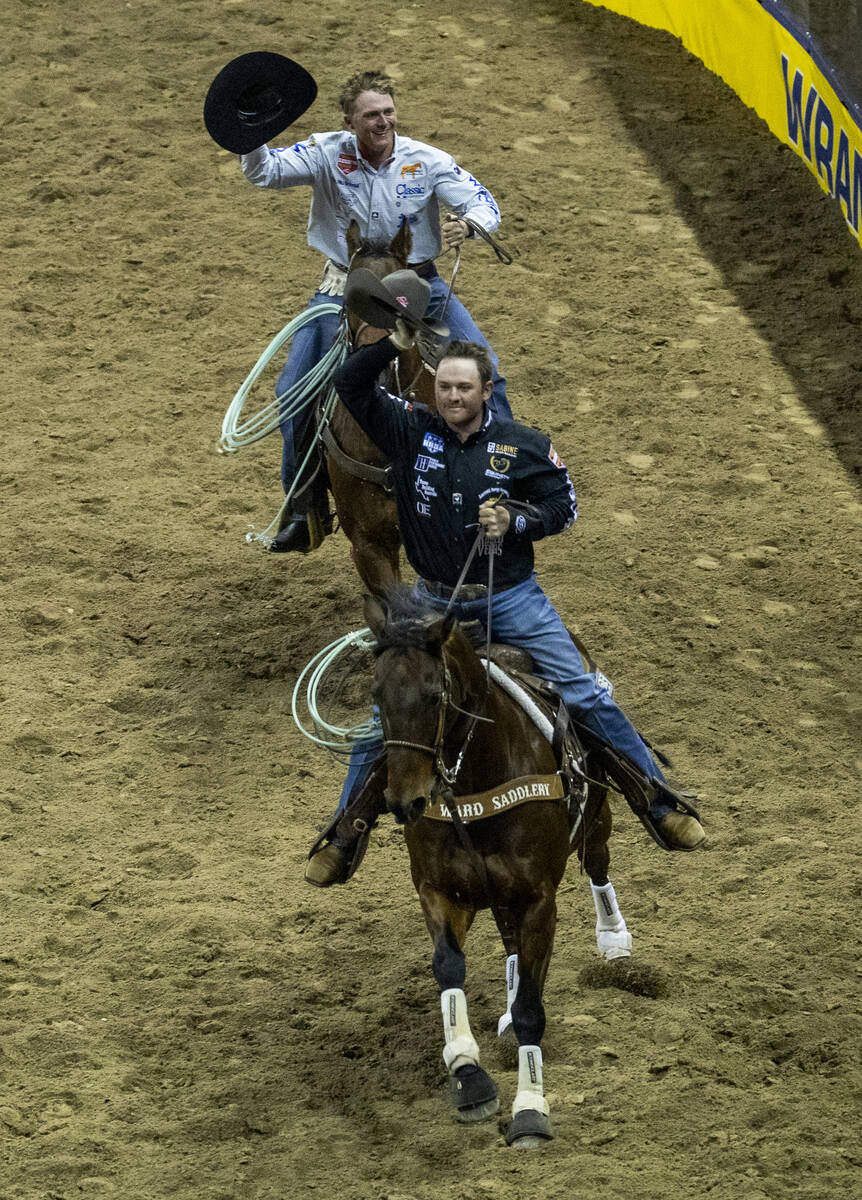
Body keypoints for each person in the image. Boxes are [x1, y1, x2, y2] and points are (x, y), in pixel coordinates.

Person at [305, 313, 705, 886]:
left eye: (464, 387)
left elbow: (564, 508)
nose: (452, 397)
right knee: (384, 712)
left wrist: (517, 519)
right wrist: (391, 345)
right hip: (431, 602)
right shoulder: (406, 428)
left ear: (486, 390)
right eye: (444, 386)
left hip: (512, 600)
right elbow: (348, 386)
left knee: (582, 691)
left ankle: (656, 799)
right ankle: (346, 833)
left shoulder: (525, 446)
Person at [237, 67, 511, 553]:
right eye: (371, 115)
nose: (382, 122)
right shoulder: (325, 152)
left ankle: (504, 479)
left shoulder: (426, 160)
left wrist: (468, 225)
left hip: (417, 284)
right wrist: (251, 133)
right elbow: (264, 171)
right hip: (344, 287)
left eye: (388, 112)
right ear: (350, 120)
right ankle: (304, 509)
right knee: (292, 389)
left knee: (486, 371)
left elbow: (484, 201)